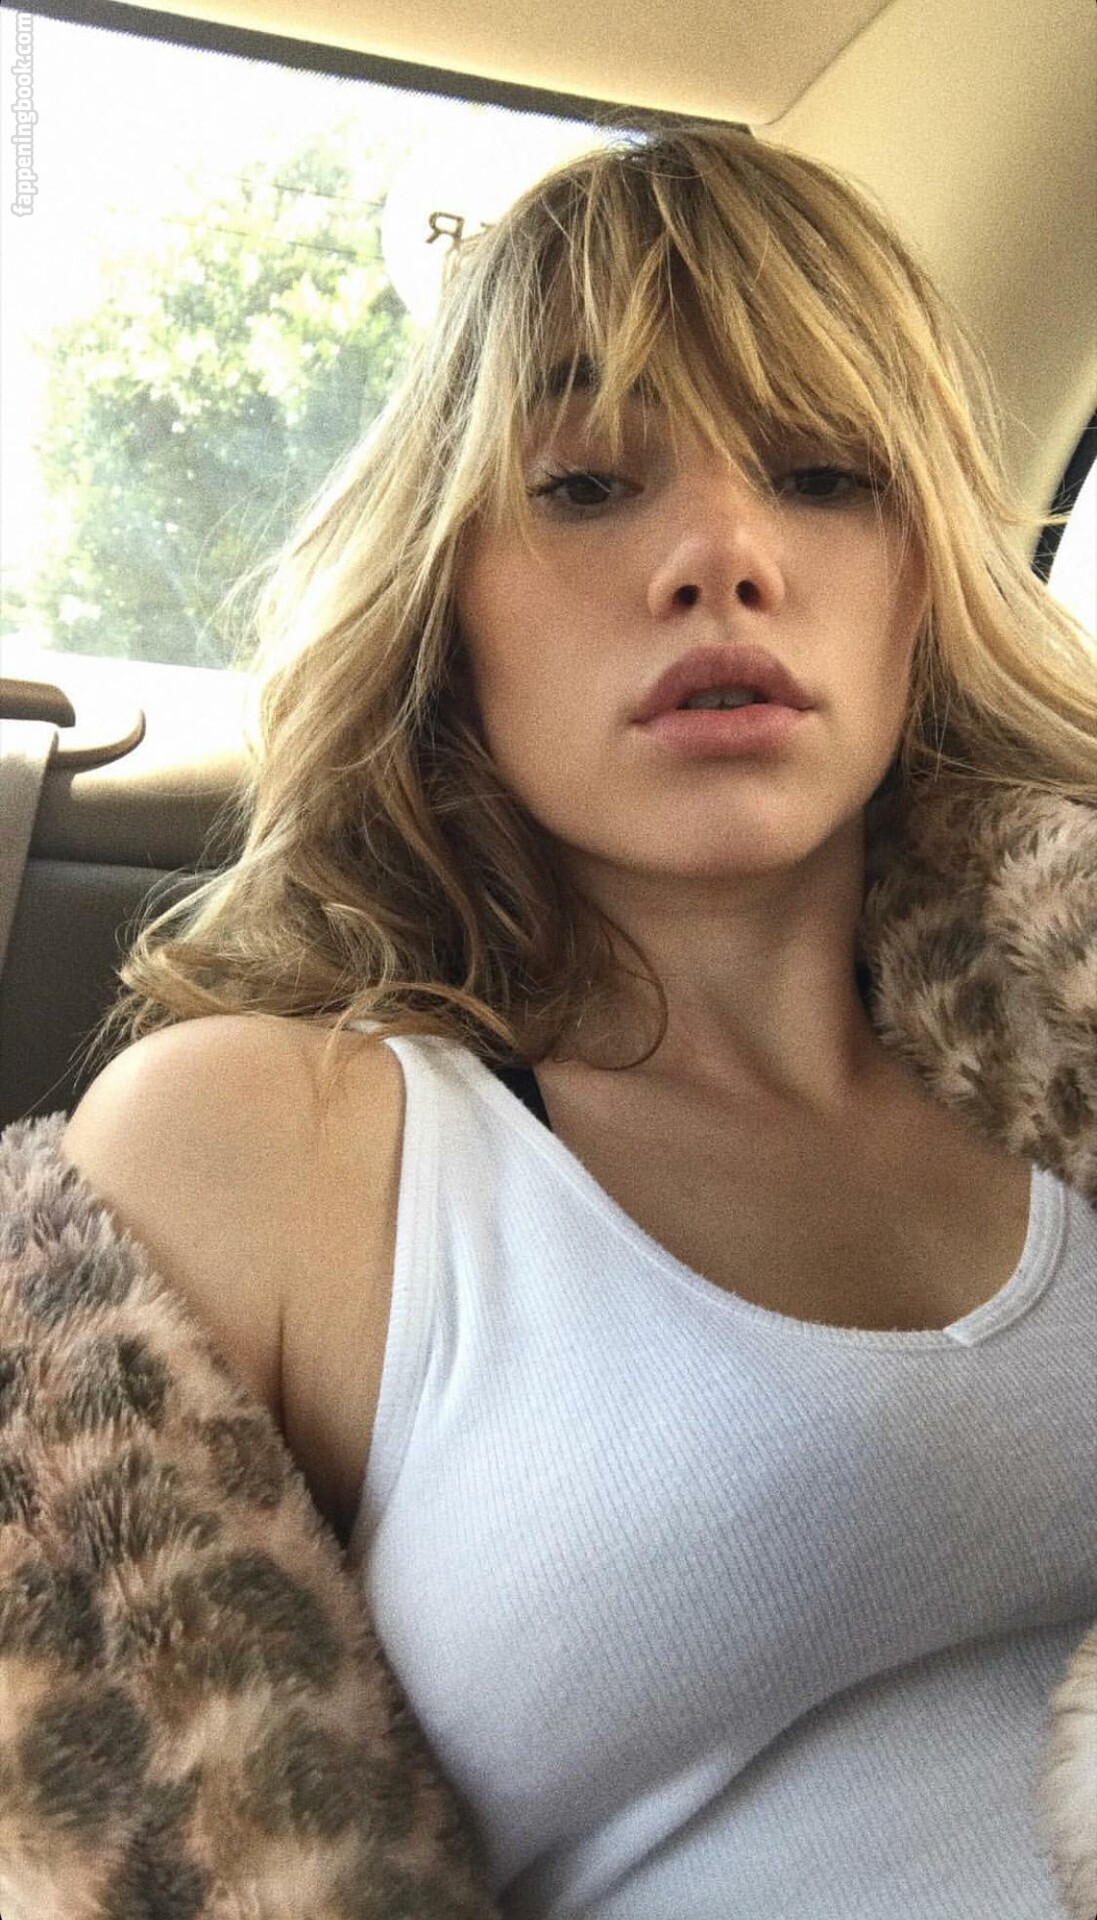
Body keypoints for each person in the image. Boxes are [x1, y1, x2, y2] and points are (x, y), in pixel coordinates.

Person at [58, 126, 1096, 1915]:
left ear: (923, 580)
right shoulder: (267, 1140)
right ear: (446, 592)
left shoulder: (1072, 1028)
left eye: (821, 476)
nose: (721, 555)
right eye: (587, 484)